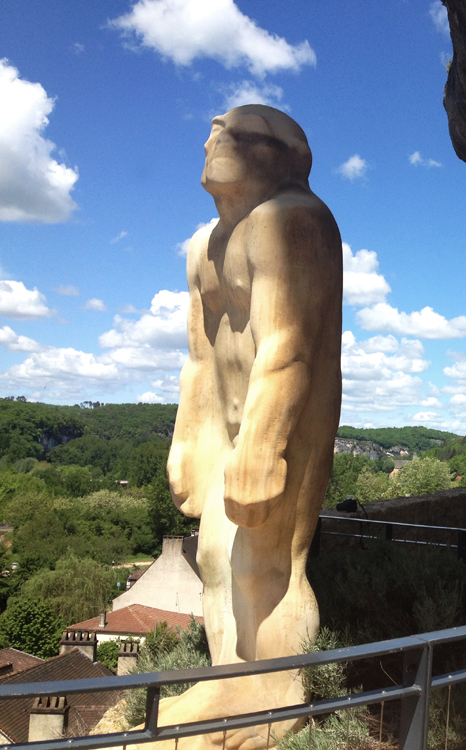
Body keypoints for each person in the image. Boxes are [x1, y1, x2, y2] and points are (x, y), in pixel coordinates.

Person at [160, 104, 342, 749]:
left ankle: (277, 689)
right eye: (213, 129)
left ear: (286, 155)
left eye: (241, 134)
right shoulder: (202, 246)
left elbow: (291, 343)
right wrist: (190, 439)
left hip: (286, 422)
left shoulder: (292, 219)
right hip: (229, 428)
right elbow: (200, 356)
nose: (217, 139)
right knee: (215, 557)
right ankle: (231, 676)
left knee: (267, 565)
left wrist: (264, 445)